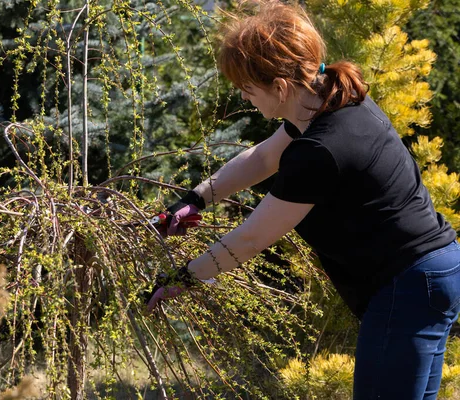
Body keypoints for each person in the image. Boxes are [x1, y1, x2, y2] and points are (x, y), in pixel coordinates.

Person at [144, 1, 460, 399]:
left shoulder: (321, 150)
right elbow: (262, 157)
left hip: (408, 284)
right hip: (433, 271)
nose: (245, 100)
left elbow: (250, 239)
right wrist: (195, 200)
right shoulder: (332, 99)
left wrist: (182, 278)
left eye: (248, 90)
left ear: (278, 87)